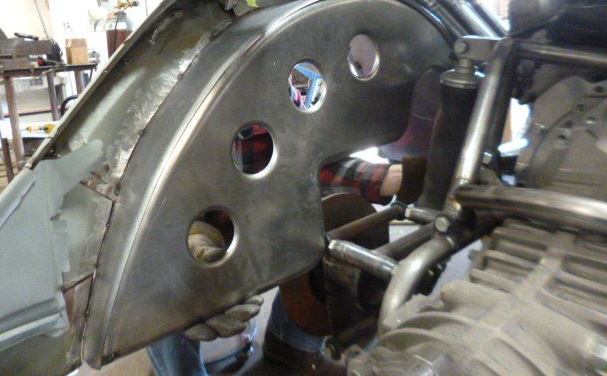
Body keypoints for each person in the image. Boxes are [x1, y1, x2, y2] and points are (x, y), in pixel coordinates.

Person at [148, 122, 426, 376]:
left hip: (262, 216)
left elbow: (304, 158)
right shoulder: (158, 119)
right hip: (182, 223)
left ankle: (292, 349)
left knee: (326, 233)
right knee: (162, 290)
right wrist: (187, 236)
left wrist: (384, 177)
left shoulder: (274, 98)